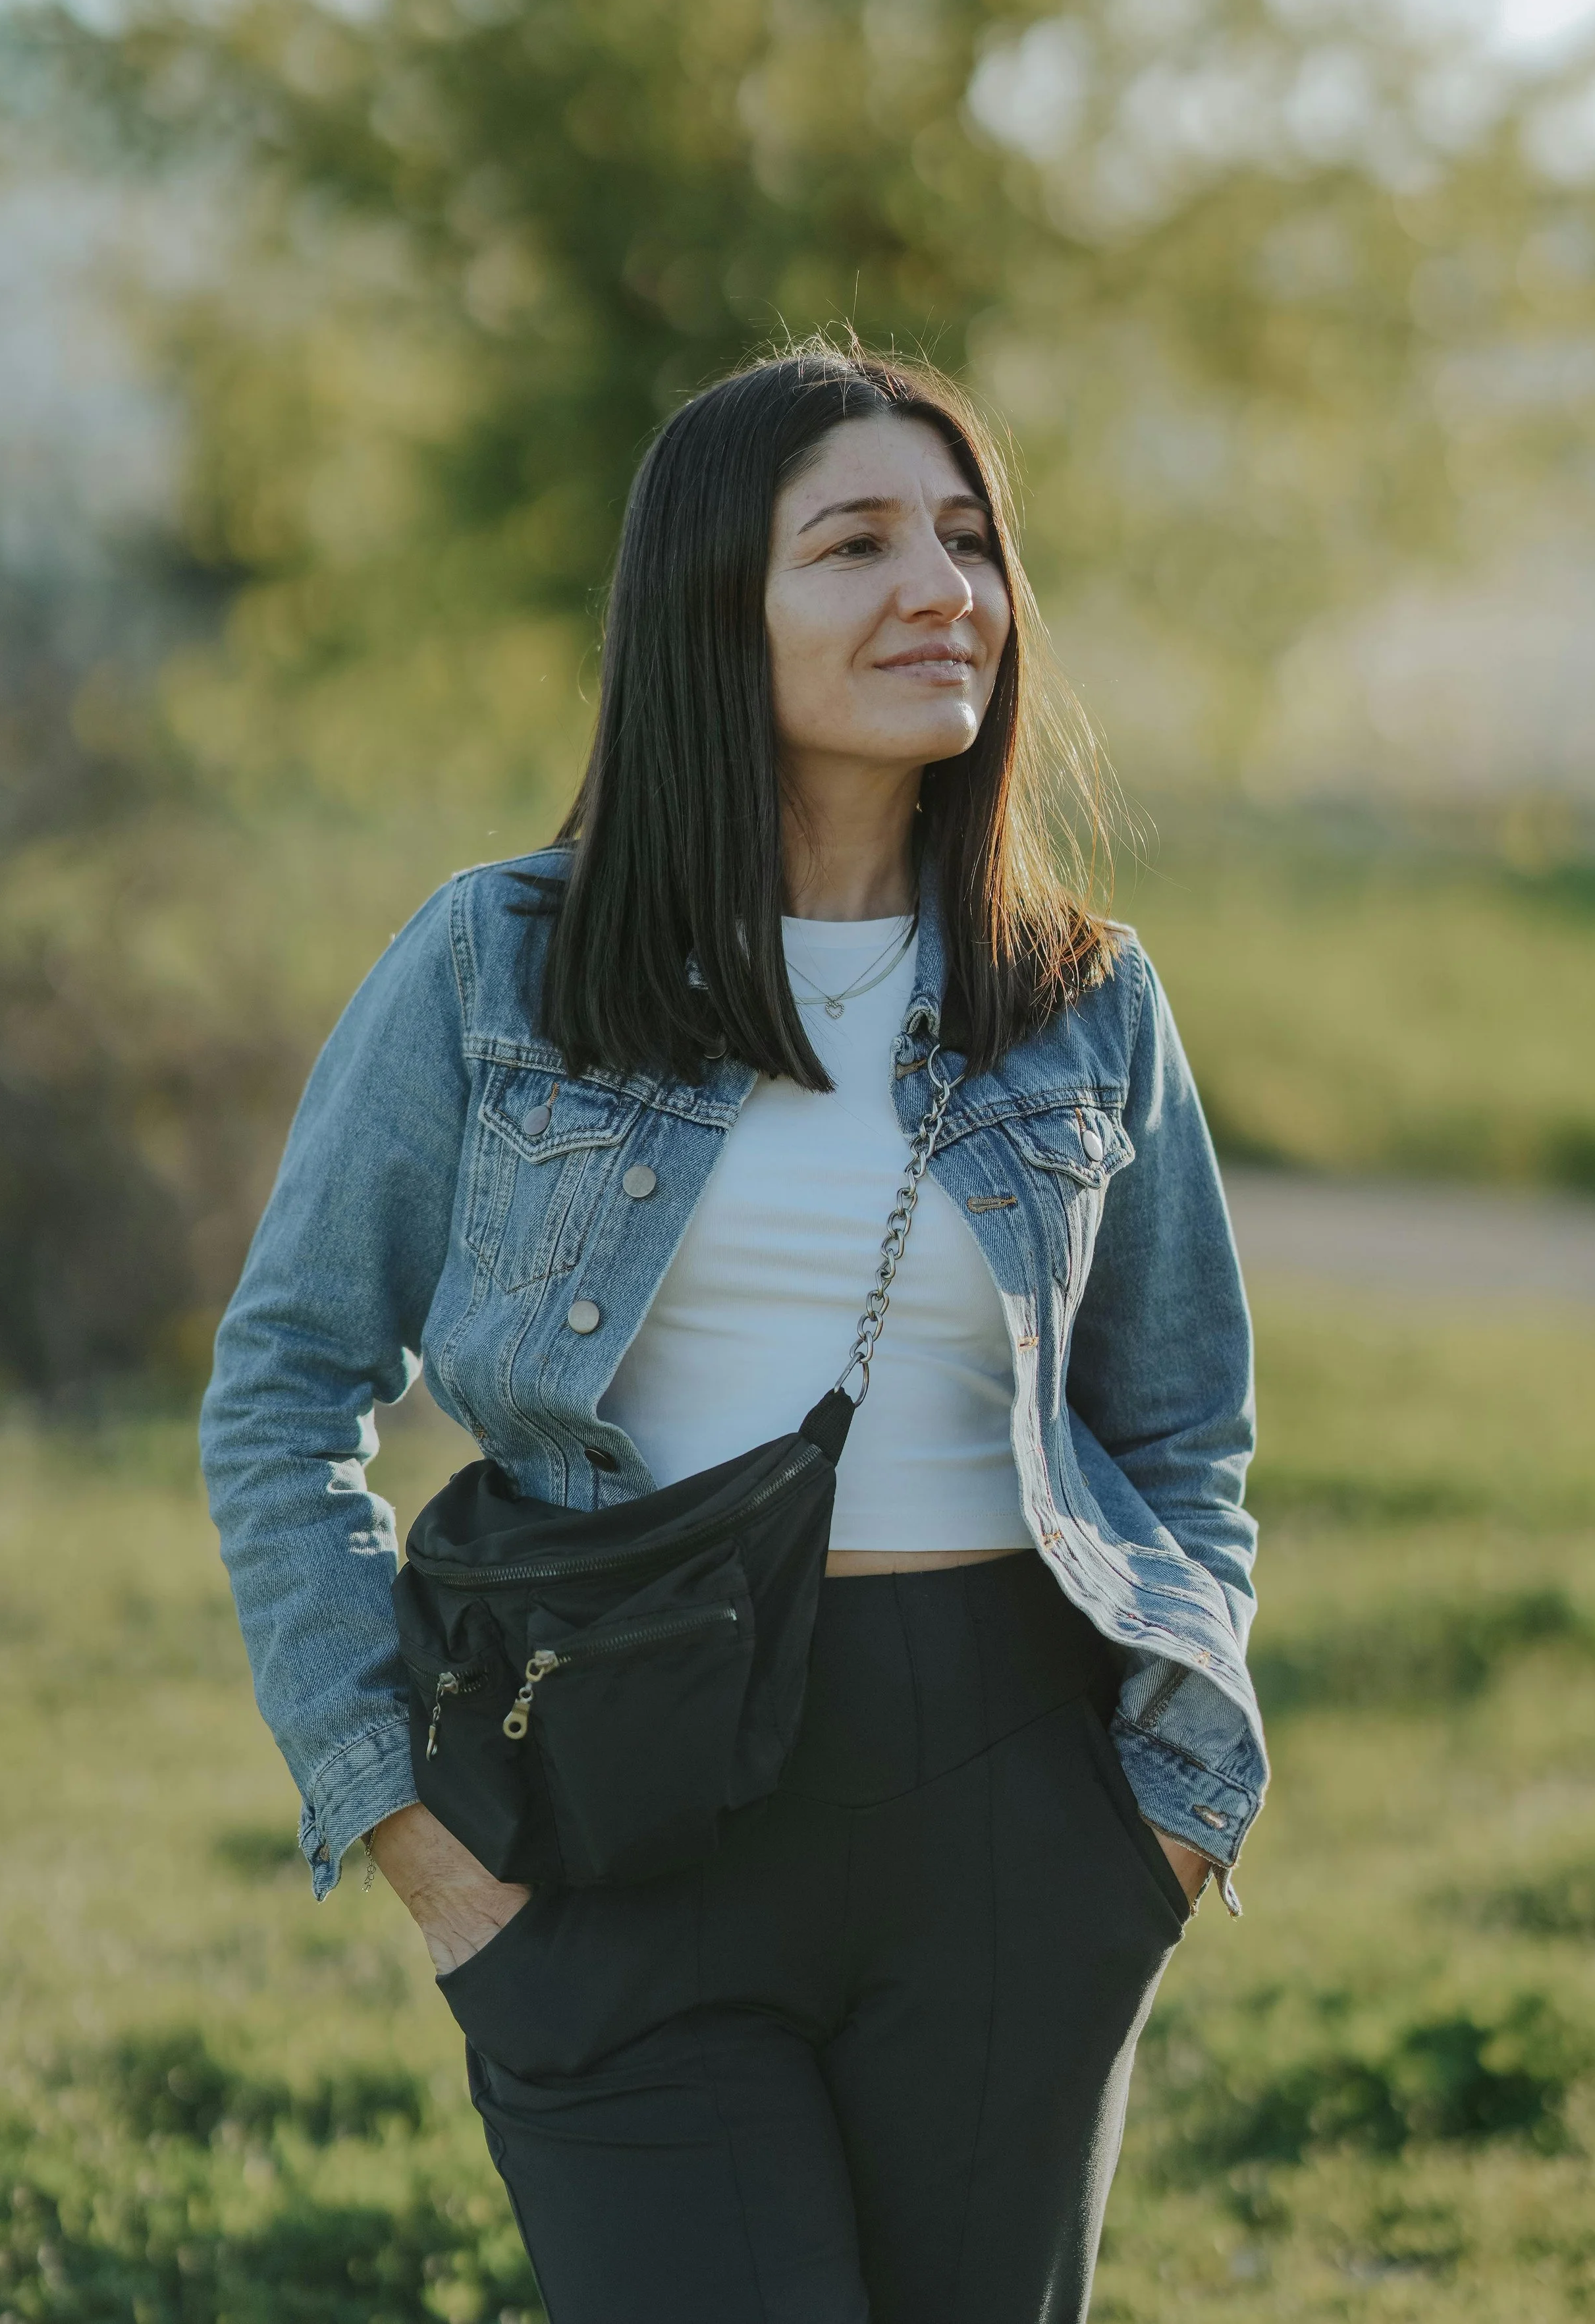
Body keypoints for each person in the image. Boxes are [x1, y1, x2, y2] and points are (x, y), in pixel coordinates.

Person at [201, 343, 1266, 2324]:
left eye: (966, 540)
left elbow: (1181, 1416)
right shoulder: (501, 959)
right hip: (606, 1803)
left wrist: (1162, 1836)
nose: (937, 587)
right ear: (712, 604)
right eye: (852, 542)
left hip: (1013, 1798)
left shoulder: (1082, 997)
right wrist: (413, 1831)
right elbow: (282, 1392)